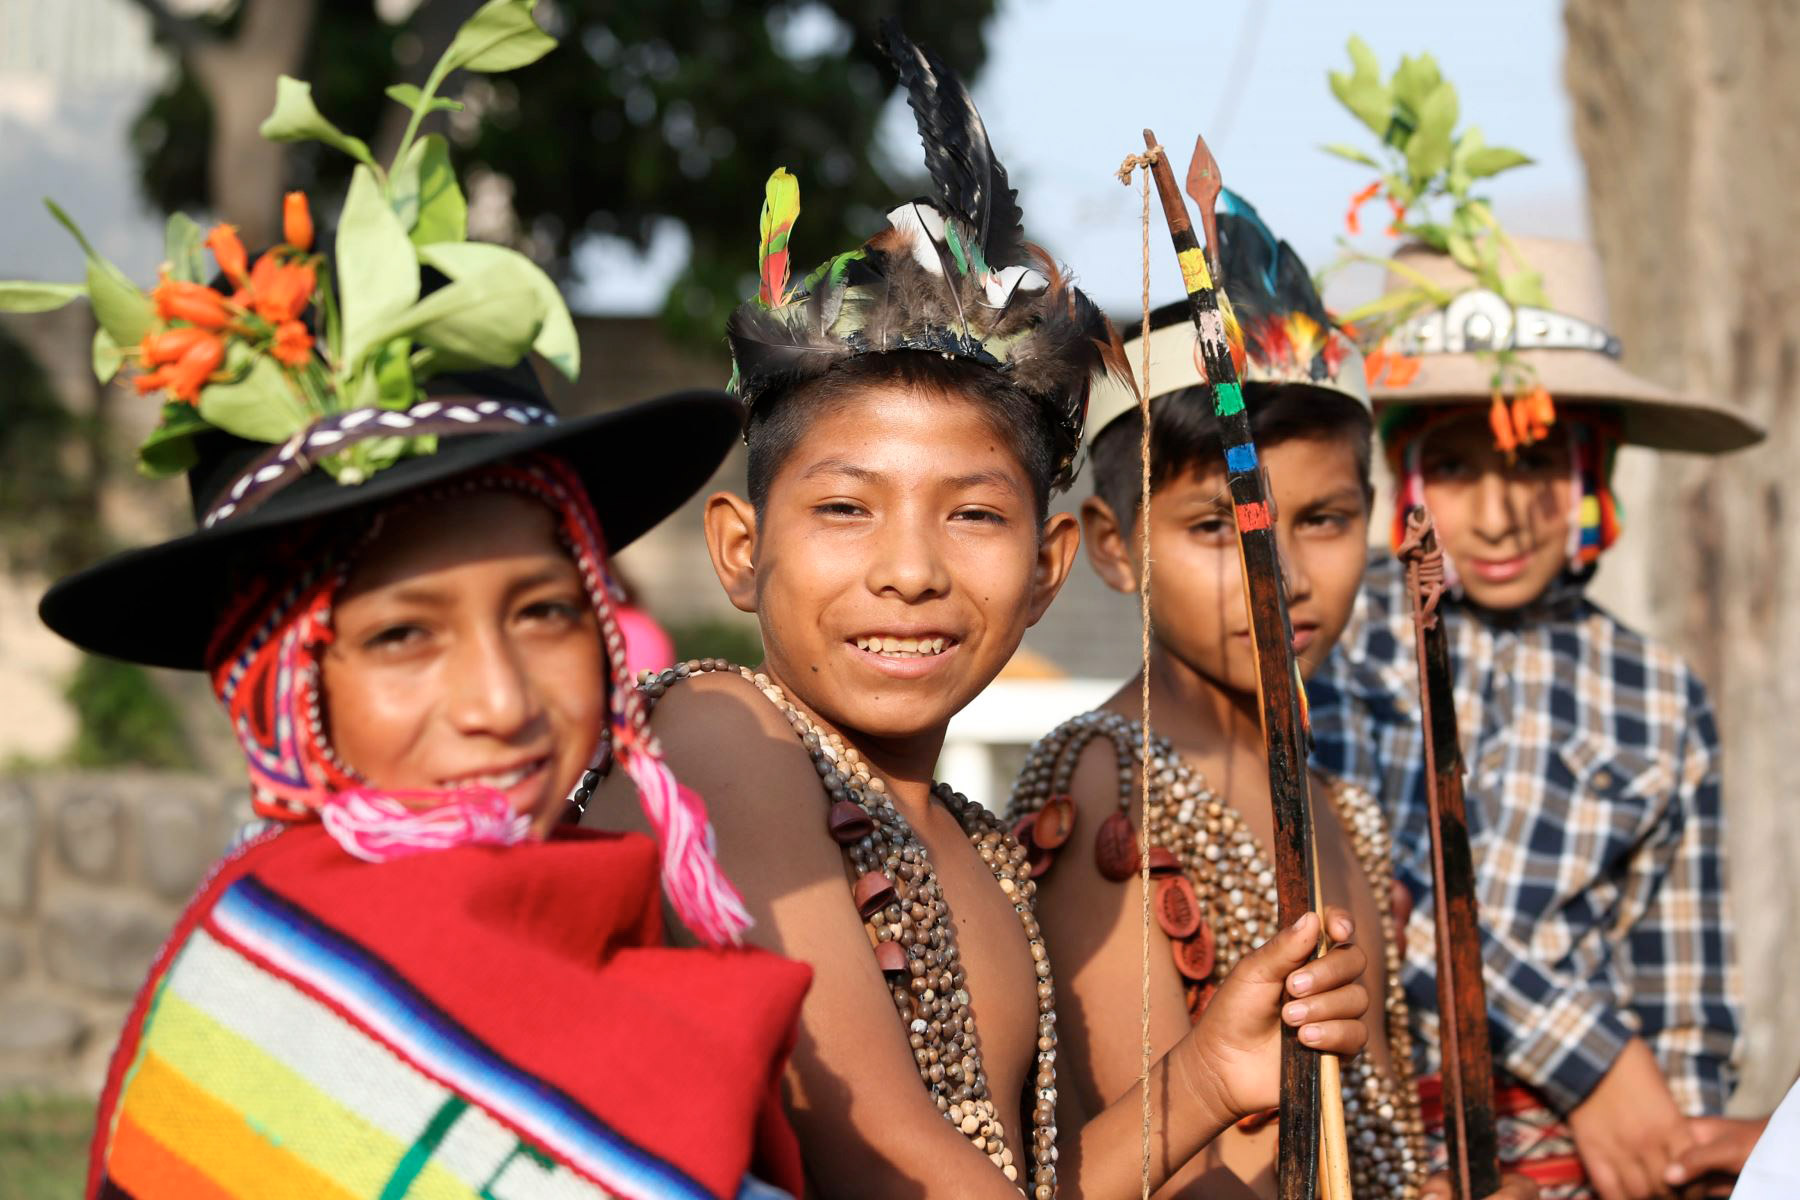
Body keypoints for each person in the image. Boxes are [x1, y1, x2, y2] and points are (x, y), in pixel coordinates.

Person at [16, 15, 810, 1197]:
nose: (500, 702)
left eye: (544, 614)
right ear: (286, 694)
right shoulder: (273, 1005)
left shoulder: (618, 918)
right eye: (399, 635)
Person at [592, 27, 1373, 1199]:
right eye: (848, 509)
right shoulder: (719, 739)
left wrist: (1207, 1081)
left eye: (973, 516)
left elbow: (1021, 1182)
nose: (910, 571)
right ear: (741, 553)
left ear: (1051, 569)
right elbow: (889, 1157)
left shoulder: (977, 848)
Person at [1008, 194, 1477, 1200]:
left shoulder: (1337, 804)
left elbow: (1380, 1125)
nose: (1283, 572)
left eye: (1325, 519)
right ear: (1113, 546)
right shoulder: (1103, 782)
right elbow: (1151, 1159)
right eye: (1218, 528)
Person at [1307, 232, 1761, 1200]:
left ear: (1594, 466)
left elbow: (1682, 1004)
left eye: (1538, 461)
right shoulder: (1345, 645)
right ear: (1406, 471)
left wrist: (1663, 1145)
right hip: (1374, 1151)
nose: (1502, 514)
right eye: (1460, 467)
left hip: (1583, 1175)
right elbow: (1359, 897)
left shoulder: (1656, 695)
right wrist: (1588, 1059)